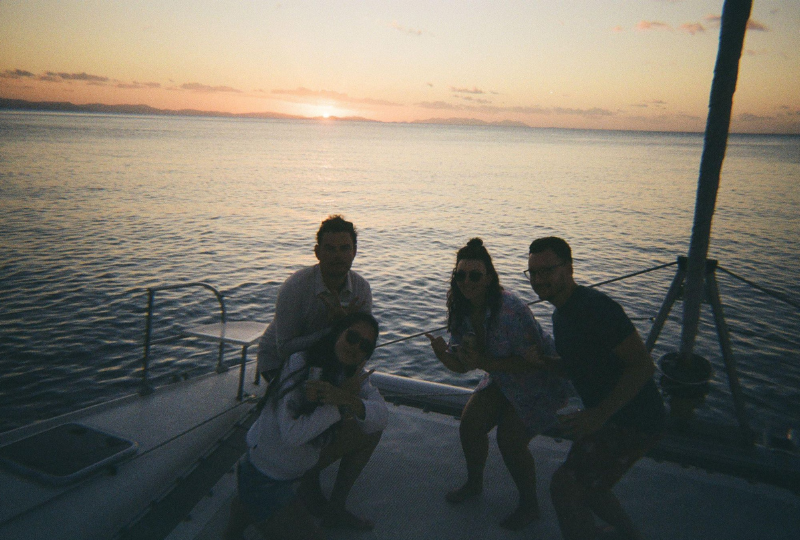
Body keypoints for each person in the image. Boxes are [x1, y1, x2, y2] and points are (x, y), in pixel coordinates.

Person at [425, 238, 572, 531]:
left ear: (490, 277)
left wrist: (484, 363)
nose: (467, 281)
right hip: (502, 379)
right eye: (461, 275)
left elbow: (534, 361)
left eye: (475, 275)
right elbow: (464, 364)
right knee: (470, 423)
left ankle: (529, 505)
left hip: (539, 380)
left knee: (510, 440)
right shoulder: (461, 308)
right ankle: (474, 484)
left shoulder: (510, 309)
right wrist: (443, 356)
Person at [526, 236, 665, 540]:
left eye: (546, 270)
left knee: (565, 488)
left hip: (635, 420)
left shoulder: (597, 309)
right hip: (610, 417)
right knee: (592, 488)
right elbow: (579, 364)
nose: (538, 280)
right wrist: (546, 363)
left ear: (569, 268)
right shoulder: (561, 314)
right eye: (533, 273)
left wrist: (599, 415)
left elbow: (643, 366)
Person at [225, 312, 388, 540]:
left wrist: (347, 399)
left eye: (365, 346)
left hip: (297, 464)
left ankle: (333, 508)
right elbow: (292, 434)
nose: (355, 347)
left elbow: (381, 417)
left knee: (368, 430)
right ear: (338, 333)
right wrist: (337, 406)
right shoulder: (300, 362)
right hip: (267, 474)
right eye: (352, 337)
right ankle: (249, 506)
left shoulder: (351, 375)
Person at [257, 215, 372, 382]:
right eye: (330, 249)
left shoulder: (361, 288)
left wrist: (346, 330)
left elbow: (365, 345)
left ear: (354, 251)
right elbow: (284, 349)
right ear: (317, 252)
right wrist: (335, 330)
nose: (337, 255)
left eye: (344, 248)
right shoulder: (295, 287)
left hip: (324, 358)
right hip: (278, 362)